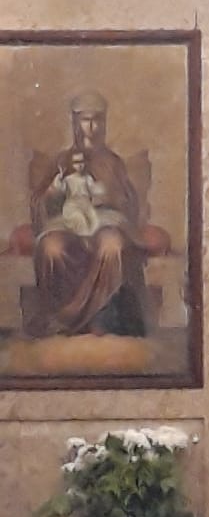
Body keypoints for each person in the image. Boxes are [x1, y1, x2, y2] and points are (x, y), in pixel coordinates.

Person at [31, 91, 148, 338]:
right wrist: (52, 194)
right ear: (75, 123)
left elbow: (129, 204)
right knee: (51, 248)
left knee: (112, 246)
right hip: (68, 222)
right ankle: (62, 318)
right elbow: (40, 202)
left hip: (105, 223)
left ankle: (102, 318)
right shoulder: (62, 160)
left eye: (96, 120)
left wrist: (110, 199)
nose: (91, 127)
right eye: (85, 120)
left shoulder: (113, 163)